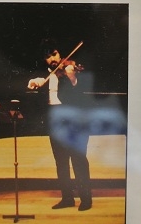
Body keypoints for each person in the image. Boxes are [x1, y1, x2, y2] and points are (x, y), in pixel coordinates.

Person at [27, 39, 92, 211]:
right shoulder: (46, 75)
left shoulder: (70, 70)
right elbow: (36, 83)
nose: (53, 59)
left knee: (78, 159)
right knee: (61, 162)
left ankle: (86, 199)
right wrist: (34, 83)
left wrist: (72, 76)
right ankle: (67, 198)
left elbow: (79, 90)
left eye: (54, 54)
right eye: (48, 56)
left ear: (60, 53)